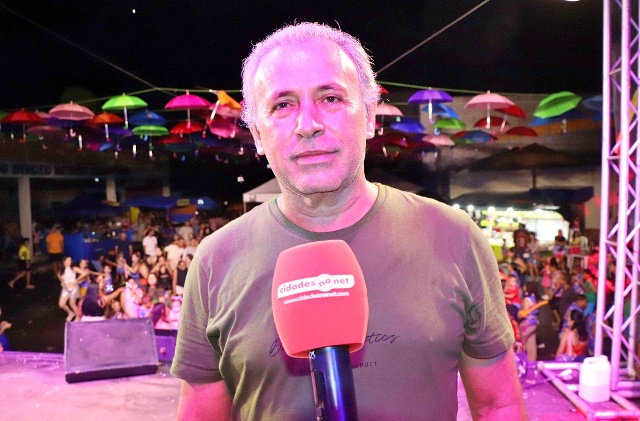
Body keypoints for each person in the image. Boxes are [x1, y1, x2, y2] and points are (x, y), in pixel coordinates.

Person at [170, 22, 525, 420]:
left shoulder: (454, 237)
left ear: (369, 116)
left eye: (331, 98)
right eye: (283, 105)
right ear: (256, 134)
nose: (308, 124)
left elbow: (498, 404)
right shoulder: (215, 259)